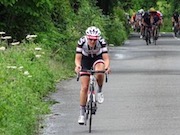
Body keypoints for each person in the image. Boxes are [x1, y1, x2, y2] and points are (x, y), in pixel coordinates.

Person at [74, 26, 111, 125]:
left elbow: (106, 58)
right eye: (90, 39)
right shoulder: (82, 41)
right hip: (85, 60)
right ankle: (82, 113)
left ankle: (99, 89)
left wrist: (107, 67)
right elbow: (77, 58)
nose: (92, 41)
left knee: (100, 71)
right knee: (84, 87)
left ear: (97, 38)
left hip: (97, 58)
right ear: (87, 37)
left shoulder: (101, 42)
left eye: (94, 39)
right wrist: (77, 66)